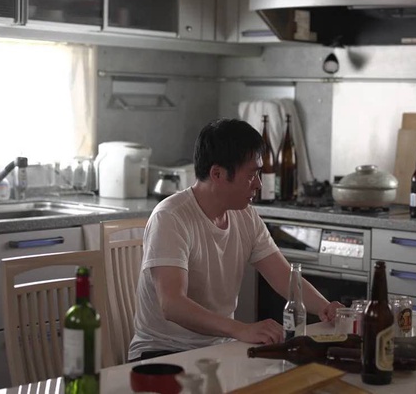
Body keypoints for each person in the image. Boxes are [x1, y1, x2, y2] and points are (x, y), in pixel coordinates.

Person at [128, 118, 343, 361]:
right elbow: (172, 304)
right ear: (217, 173)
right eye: (252, 174)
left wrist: (325, 307)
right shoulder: (171, 217)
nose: (259, 184)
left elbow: (284, 277)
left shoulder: (245, 215)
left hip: (219, 350)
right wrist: (241, 329)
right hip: (162, 354)